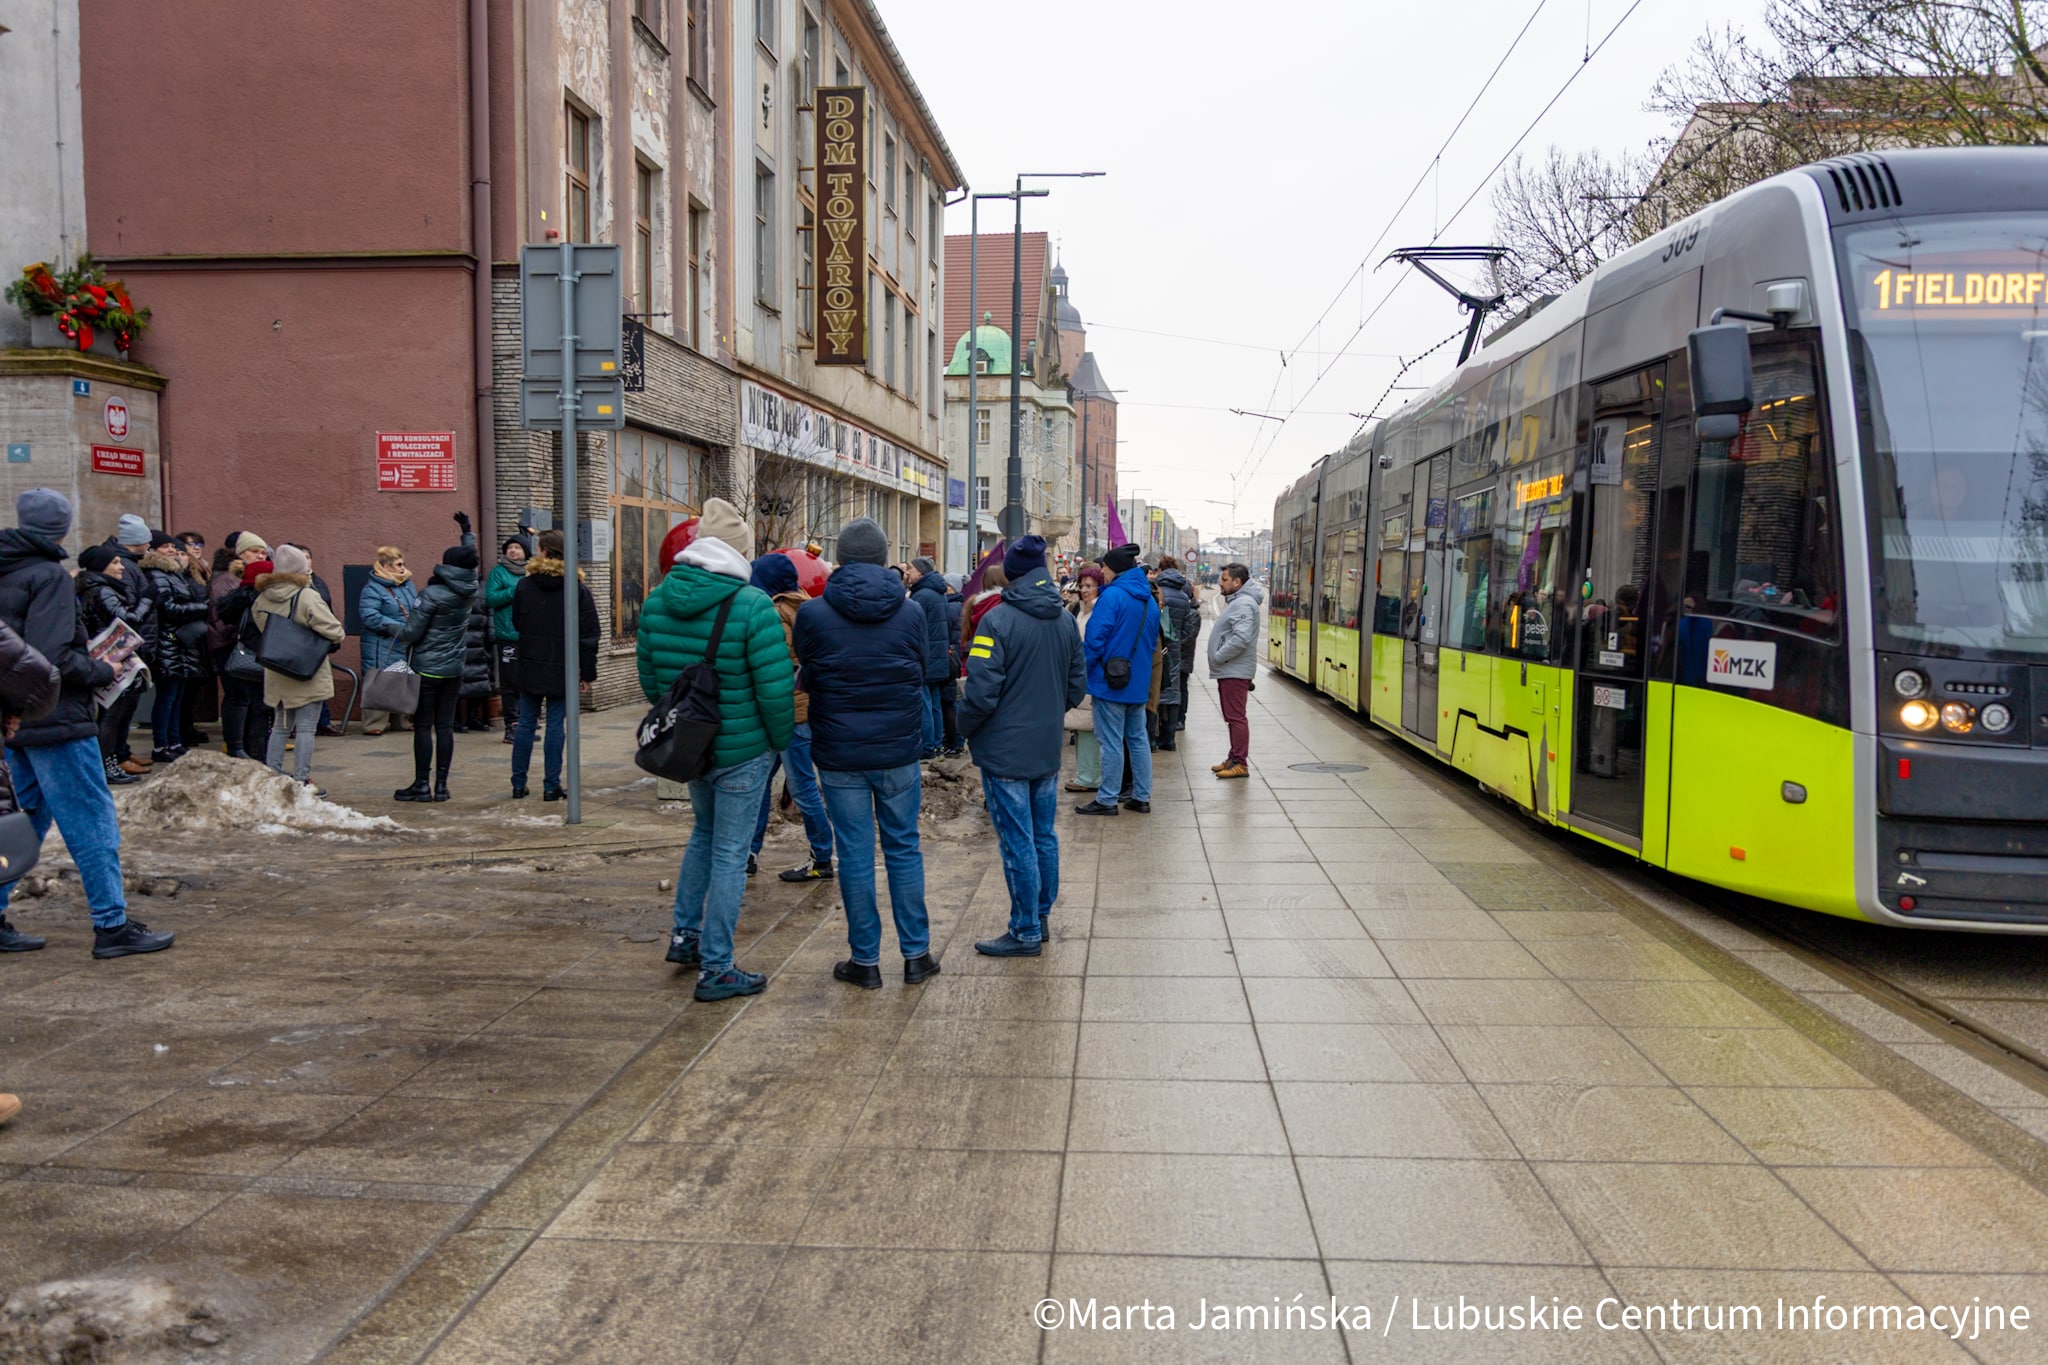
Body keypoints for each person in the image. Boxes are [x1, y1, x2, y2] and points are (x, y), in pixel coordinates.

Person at [0, 489, 171, 958]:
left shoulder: (7, 570)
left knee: (22, 820)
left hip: (14, 719)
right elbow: (54, 658)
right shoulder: (49, 577)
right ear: (62, 527)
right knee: (91, 821)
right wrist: (103, 668)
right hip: (57, 718)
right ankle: (112, 925)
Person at [637, 498, 794, 1001]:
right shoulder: (752, 606)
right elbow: (775, 691)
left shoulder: (657, 601)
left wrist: (686, 727)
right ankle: (718, 967)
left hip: (691, 749)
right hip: (743, 751)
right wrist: (779, 742)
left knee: (703, 835)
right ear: (738, 553)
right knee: (730, 852)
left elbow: (652, 683)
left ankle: (685, 936)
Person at [793, 516, 937, 990]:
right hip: (897, 749)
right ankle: (916, 956)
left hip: (839, 752)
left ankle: (865, 961)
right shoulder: (911, 612)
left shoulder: (813, 614)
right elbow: (920, 669)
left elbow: (808, 669)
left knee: (854, 852)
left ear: (841, 559)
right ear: (883, 558)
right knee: (903, 847)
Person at [958, 536, 1085, 957]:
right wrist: (1047, 712)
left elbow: (980, 692)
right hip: (1045, 746)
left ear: (1011, 573)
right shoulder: (1065, 619)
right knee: (1043, 835)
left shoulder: (996, 621)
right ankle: (1040, 916)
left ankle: (1026, 929)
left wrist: (965, 727)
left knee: (1017, 841)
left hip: (1004, 749)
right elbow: (1076, 685)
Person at [748, 551, 834, 882]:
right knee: (762, 783)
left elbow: (774, 667)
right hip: (802, 708)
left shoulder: (775, 612)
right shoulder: (808, 607)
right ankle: (748, 852)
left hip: (787, 713)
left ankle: (822, 857)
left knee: (800, 788)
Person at [507, 529, 598, 800]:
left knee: (526, 723)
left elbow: (516, 623)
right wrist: (586, 673)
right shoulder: (577, 589)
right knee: (556, 725)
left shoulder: (525, 586)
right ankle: (551, 785)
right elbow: (589, 635)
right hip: (563, 667)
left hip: (530, 664)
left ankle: (518, 783)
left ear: (545, 552)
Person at [393, 514, 478, 802]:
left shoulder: (432, 594)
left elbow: (411, 633)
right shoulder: (469, 589)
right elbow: (470, 558)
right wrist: (467, 532)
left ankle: (421, 784)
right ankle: (441, 786)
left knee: (422, 726)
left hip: (426, 669)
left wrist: (390, 628)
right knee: (444, 727)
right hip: (453, 668)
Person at [251, 544, 345, 792]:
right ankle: (302, 779)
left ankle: (272, 776)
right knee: (305, 729)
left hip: (276, 670)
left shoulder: (262, 597)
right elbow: (335, 631)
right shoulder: (307, 596)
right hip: (306, 671)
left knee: (280, 727)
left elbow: (262, 628)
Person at [1077, 542, 1159, 816]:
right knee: (1137, 739)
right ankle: (1141, 796)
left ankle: (1107, 799)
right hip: (1137, 681)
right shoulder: (1148, 599)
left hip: (1109, 681)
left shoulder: (1112, 596)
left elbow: (1094, 640)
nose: (1102, 571)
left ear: (1114, 569)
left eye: (1105, 567)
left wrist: (1084, 671)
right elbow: (1151, 643)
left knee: (1110, 741)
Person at [75, 544, 154, 784]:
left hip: (107, 657)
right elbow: (128, 620)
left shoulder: (98, 587)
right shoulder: (102, 590)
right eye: (115, 562)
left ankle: (112, 762)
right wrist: (147, 600)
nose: (121, 567)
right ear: (101, 566)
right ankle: (107, 766)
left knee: (112, 716)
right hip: (110, 659)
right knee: (111, 716)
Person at [141, 532, 209, 764]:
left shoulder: (173, 573)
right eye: (166, 547)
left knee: (177, 696)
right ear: (154, 550)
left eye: (174, 547)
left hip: (179, 642)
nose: (171, 550)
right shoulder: (157, 574)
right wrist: (203, 607)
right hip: (168, 640)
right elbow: (168, 608)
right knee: (167, 696)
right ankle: (162, 744)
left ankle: (174, 742)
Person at [216, 547, 277, 761]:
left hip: (239, 656)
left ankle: (239, 748)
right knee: (257, 706)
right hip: (255, 657)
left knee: (241, 702)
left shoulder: (238, 599)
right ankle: (253, 752)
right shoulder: (260, 601)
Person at [1208, 562, 1265, 779]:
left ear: (1237, 582)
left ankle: (1240, 762)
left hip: (1234, 670)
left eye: (1224, 580)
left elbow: (1242, 638)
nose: (1220, 583)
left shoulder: (1243, 604)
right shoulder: (1239, 601)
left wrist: (1219, 656)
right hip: (1231, 669)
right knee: (1233, 716)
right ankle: (1234, 757)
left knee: (1236, 717)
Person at [358, 545, 419, 735]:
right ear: (386, 566)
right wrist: (396, 626)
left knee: (403, 676)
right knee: (380, 679)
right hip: (382, 641)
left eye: (403, 564)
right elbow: (369, 615)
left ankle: (402, 720)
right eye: (399, 565)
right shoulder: (373, 588)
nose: (403, 568)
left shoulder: (407, 585)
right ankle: (374, 723)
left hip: (404, 640)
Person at [1062, 566, 1104, 793]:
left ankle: (1090, 777)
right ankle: (1086, 773)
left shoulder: (1098, 610)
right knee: (1081, 726)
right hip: (1080, 673)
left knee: (1087, 725)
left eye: (1090, 586)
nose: (1085, 590)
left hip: (1090, 673)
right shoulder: (1081, 609)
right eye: (1082, 585)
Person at [905, 556, 952, 759]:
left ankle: (926, 747)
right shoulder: (936, 593)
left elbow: (912, 626)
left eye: (911, 568)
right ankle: (935, 744)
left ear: (921, 572)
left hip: (926, 657)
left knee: (924, 703)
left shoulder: (922, 596)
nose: (907, 572)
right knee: (934, 702)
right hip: (937, 656)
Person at [486, 535, 527, 746]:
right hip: (508, 634)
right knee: (510, 681)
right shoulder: (498, 572)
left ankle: (526, 722)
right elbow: (491, 599)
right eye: (510, 547)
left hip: (529, 635)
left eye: (517, 547)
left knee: (527, 681)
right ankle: (511, 725)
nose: (513, 550)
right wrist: (516, 590)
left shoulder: (531, 571)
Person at [1157, 557, 1200, 736]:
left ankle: (1157, 733)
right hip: (1176, 650)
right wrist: (1176, 642)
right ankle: (1170, 735)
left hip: (1159, 648)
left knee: (1157, 688)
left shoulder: (1157, 593)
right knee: (1175, 689)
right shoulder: (1184, 596)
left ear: (1160, 570)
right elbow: (1189, 627)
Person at [455, 570, 495, 733]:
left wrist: (491, 634)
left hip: (479, 639)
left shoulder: (483, 587)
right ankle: (456, 719)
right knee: (457, 681)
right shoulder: (452, 584)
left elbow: (490, 611)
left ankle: (473, 716)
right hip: (458, 640)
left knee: (479, 680)